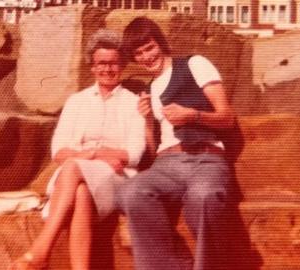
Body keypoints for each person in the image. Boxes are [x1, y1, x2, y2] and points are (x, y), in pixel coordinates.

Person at [10, 29, 146, 270]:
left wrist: (85, 155)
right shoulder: (77, 101)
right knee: (81, 192)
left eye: (114, 63)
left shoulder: (132, 102)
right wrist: (97, 154)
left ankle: (41, 250)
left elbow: (134, 154)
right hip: (76, 179)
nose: (107, 69)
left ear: (123, 66)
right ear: (92, 67)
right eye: (101, 63)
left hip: (116, 178)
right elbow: (58, 152)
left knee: (73, 167)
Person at [116, 17, 236, 270]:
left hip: (206, 158)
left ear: (160, 42)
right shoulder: (150, 88)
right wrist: (148, 121)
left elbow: (227, 118)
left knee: (204, 196)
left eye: (149, 47)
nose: (147, 57)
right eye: (139, 54)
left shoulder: (194, 64)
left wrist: (192, 115)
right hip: (166, 165)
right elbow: (152, 152)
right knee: (130, 191)